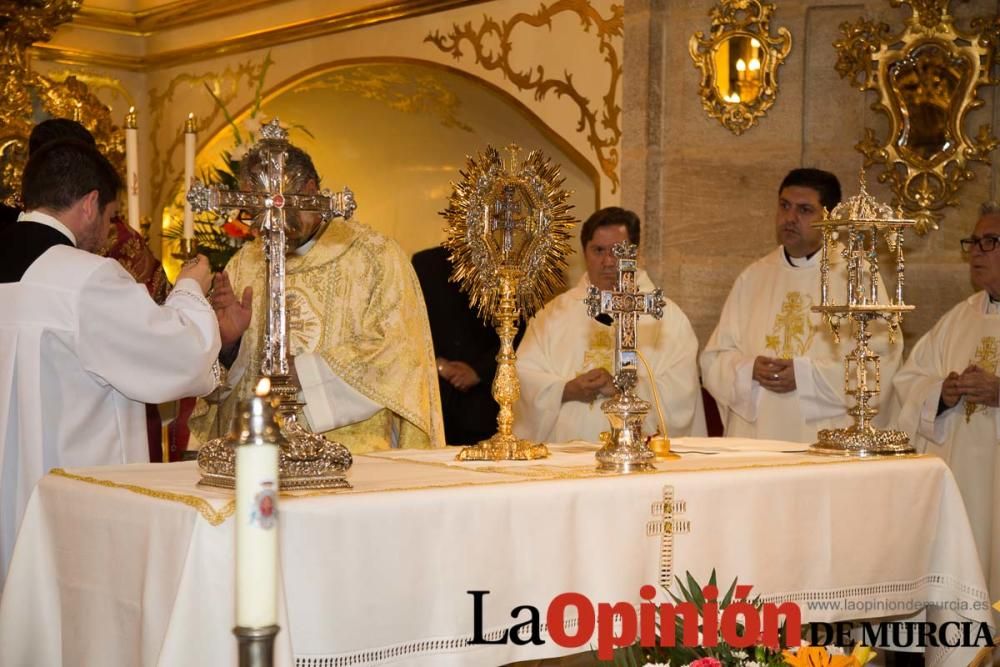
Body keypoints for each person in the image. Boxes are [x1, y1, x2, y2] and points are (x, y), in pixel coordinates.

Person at [0, 140, 220, 585]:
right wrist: (191, 287)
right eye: (111, 216)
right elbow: (181, 353)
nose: (108, 231)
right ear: (90, 204)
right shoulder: (83, 278)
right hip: (70, 509)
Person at [190, 143, 445, 453]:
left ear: (310, 192)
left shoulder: (374, 256)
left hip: (350, 454)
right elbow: (228, 382)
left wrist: (304, 373)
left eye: (274, 210)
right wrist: (229, 345)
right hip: (258, 451)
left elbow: (399, 353)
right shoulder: (245, 263)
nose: (265, 225)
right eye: (255, 212)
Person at [700, 168, 903, 442]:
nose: (790, 218)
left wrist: (805, 376)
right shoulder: (754, 277)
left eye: (805, 210)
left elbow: (882, 359)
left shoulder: (857, 275)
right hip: (758, 438)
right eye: (784, 206)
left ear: (829, 218)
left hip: (821, 436)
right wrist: (749, 369)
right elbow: (714, 359)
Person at [515, 207, 706, 443]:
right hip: (566, 457)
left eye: (618, 251)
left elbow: (681, 390)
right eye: (598, 250)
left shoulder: (666, 316)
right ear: (584, 252)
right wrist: (565, 390)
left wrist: (620, 389)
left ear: (635, 253)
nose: (608, 261)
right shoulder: (553, 314)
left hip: (638, 456)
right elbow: (522, 376)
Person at [892, 202, 1000, 602]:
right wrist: (942, 392)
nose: (976, 251)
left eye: (990, 241)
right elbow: (909, 380)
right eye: (973, 241)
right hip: (964, 489)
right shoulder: (958, 318)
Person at [412, 246, 516, 445]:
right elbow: (410, 320)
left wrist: (478, 371)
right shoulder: (425, 262)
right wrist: (438, 363)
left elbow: (516, 329)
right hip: (436, 395)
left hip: (486, 399)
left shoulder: (505, 265)